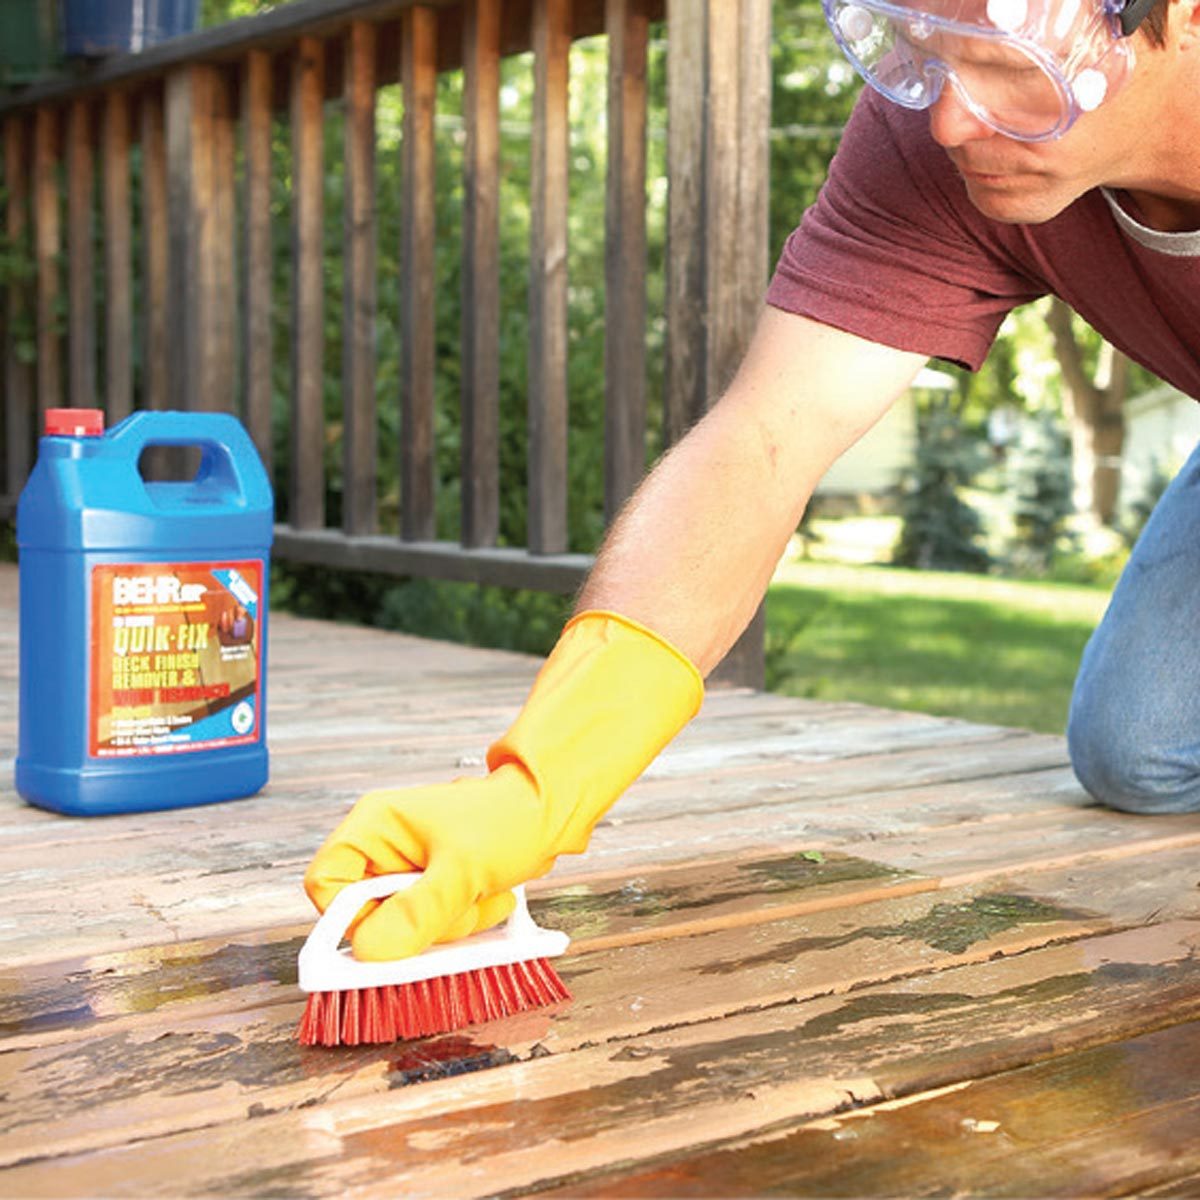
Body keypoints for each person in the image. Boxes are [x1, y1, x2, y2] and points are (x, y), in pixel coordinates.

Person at [306, 0, 1200, 961]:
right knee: (1135, 750)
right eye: (921, 53)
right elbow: (766, 438)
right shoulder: (935, 141)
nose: (948, 118)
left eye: (1003, 62)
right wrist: (539, 784)